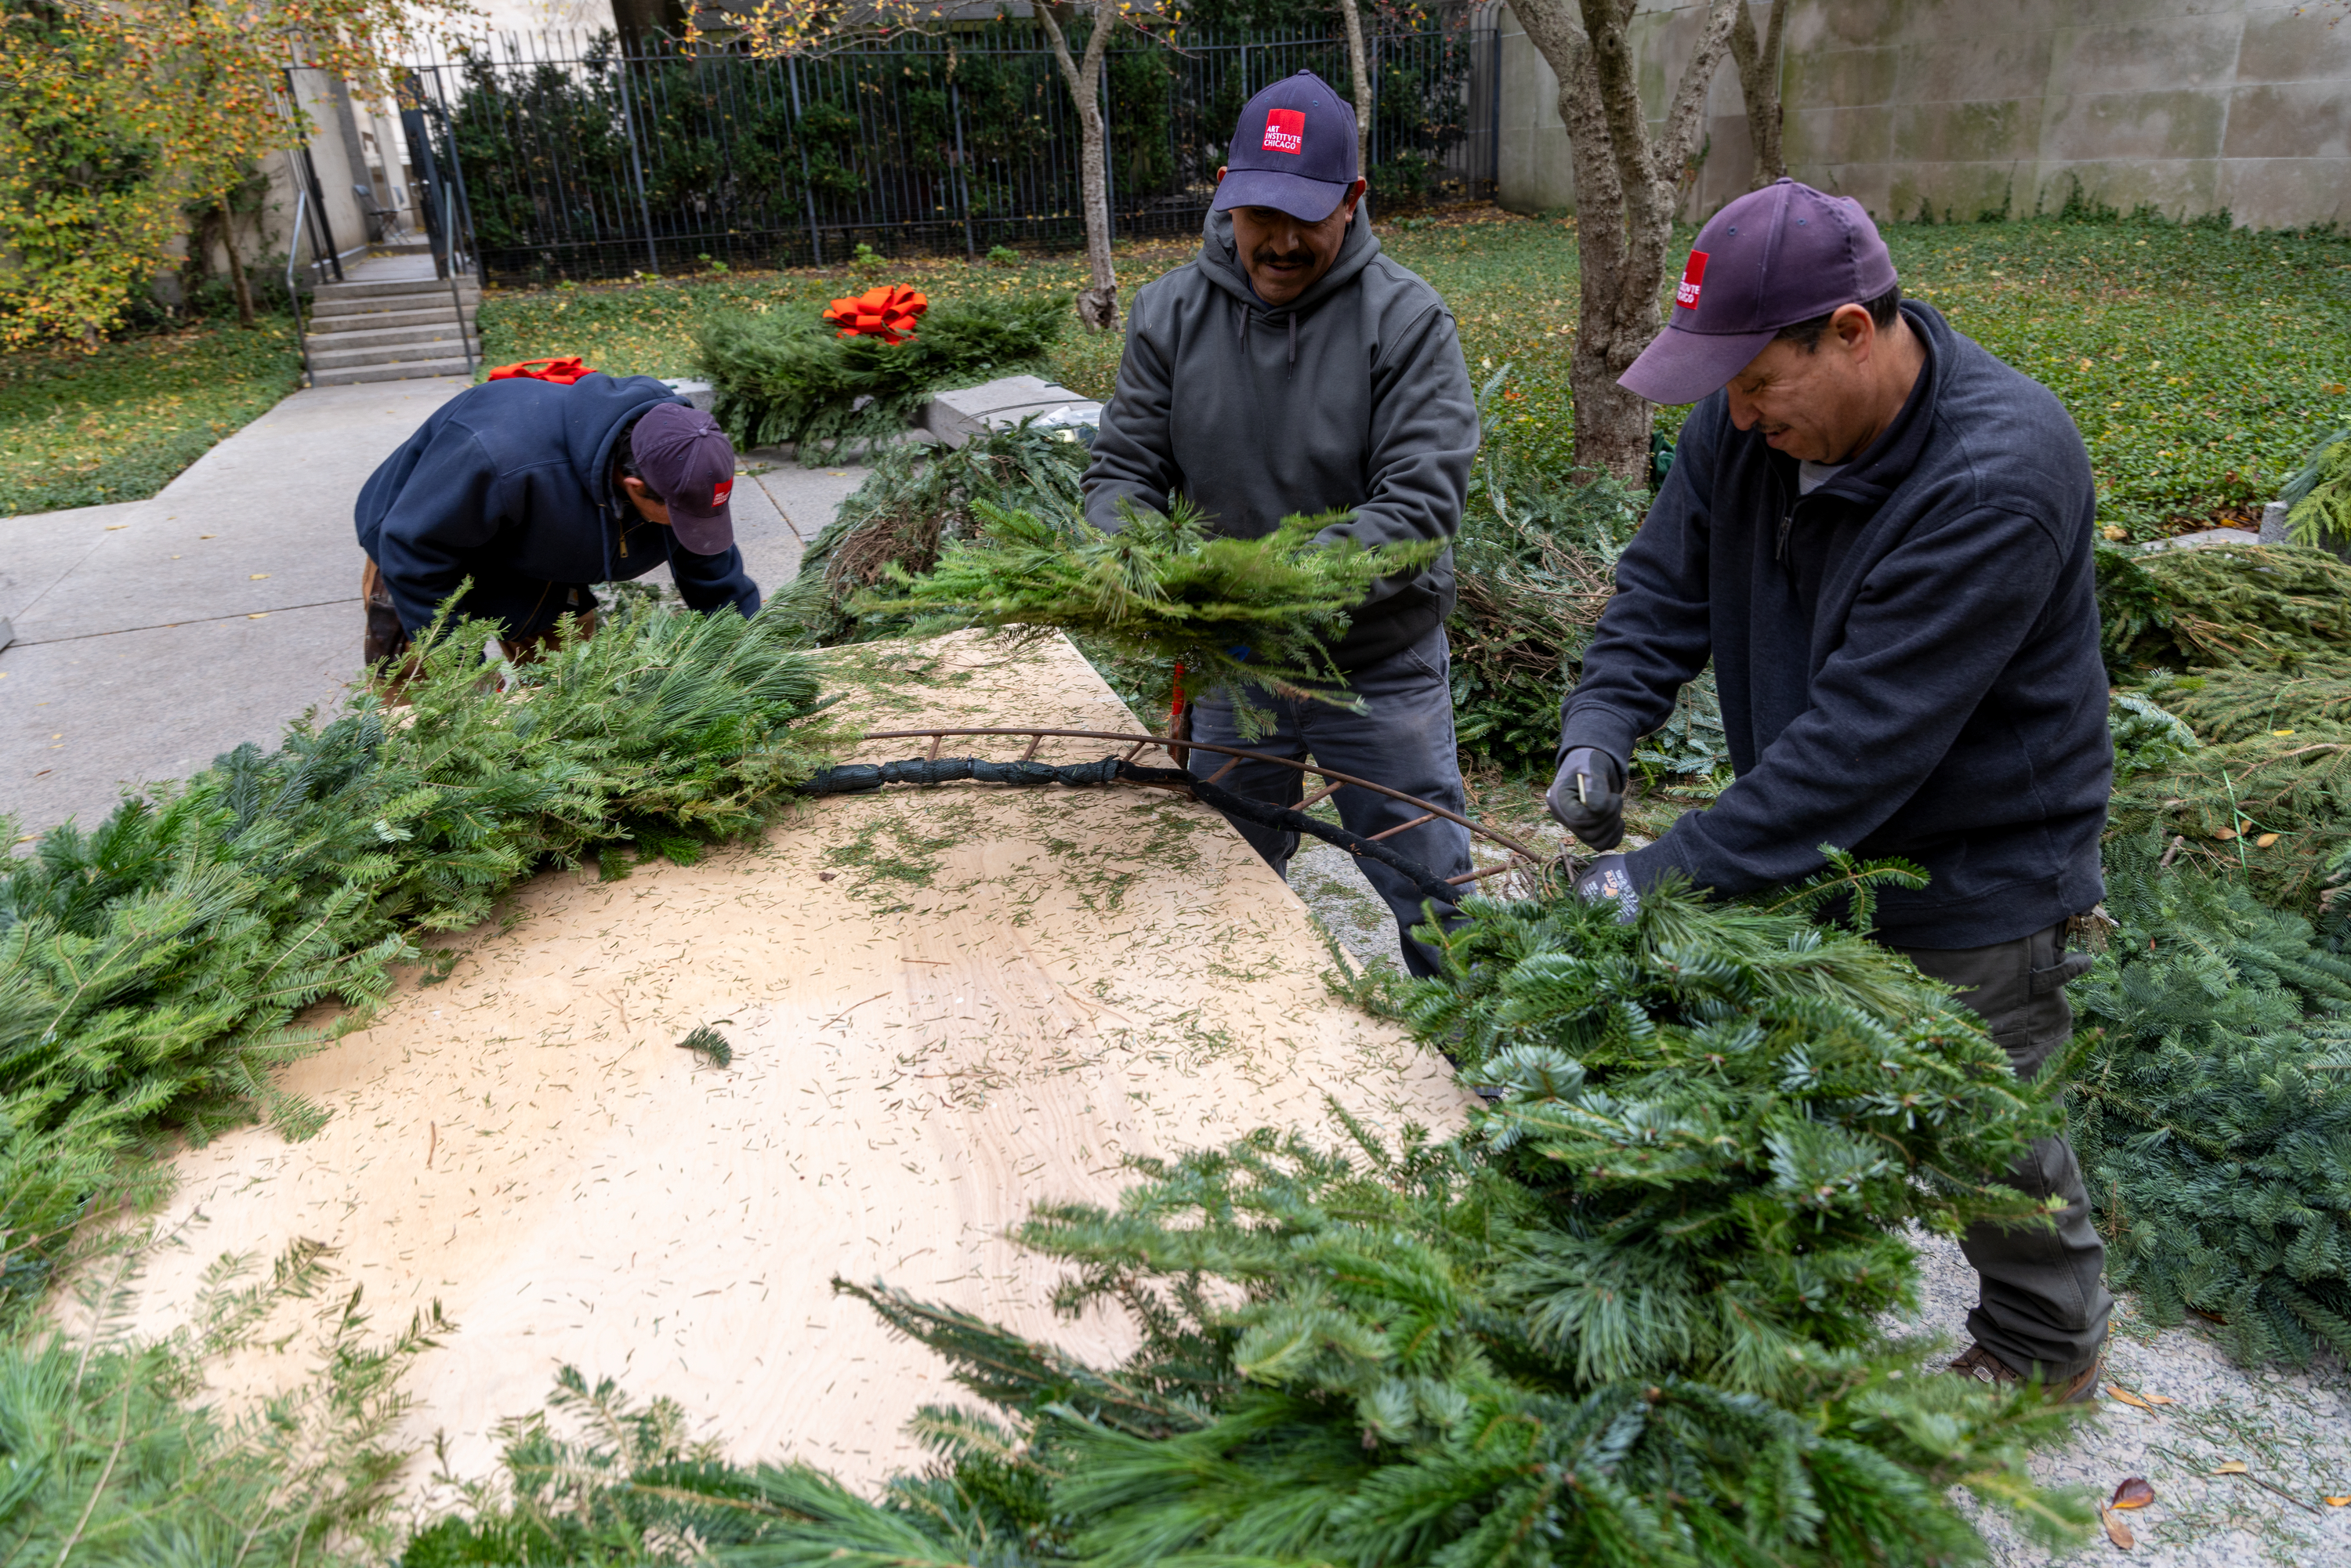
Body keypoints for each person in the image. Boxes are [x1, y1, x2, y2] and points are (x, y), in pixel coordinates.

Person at [1548, 179, 2113, 1402]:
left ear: (1851, 332)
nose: (1738, 418)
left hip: (1982, 864)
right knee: (1802, 1072)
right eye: (1727, 391)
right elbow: (1661, 593)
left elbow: (1858, 749)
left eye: (1757, 384)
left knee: (1980, 1110)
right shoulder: (1746, 425)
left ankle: (2044, 1339)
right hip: (1818, 834)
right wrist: (1597, 729)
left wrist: (1648, 876)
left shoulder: (1994, 477)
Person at [1082, 71, 1481, 976]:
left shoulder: (1407, 322)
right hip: (1235, 666)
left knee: (1432, 890)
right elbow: (1122, 474)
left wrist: (1262, 582)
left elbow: (1417, 508)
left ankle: (1487, 1067)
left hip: (1374, 662)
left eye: (1309, 213)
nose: (1282, 239)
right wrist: (1138, 561)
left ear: (1354, 200)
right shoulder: (1168, 315)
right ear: (1228, 191)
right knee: (1227, 875)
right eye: (1262, 210)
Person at [355, 375, 757, 668]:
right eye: (680, 518)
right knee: (427, 709)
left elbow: (713, 571)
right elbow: (413, 548)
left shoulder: (681, 461)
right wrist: (460, 671)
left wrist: (754, 656)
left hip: (537, 555)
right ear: (634, 486)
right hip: (421, 548)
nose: (688, 527)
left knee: (574, 693)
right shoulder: (501, 458)